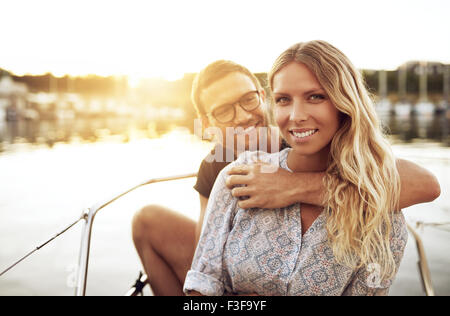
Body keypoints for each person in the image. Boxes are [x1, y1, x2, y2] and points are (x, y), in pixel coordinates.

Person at [132, 59, 441, 296]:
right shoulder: (218, 167)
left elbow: (423, 184)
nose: (241, 115)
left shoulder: (306, 136)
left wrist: (291, 185)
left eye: (248, 100)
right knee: (147, 220)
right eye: (225, 111)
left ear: (263, 96)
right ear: (207, 123)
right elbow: (207, 257)